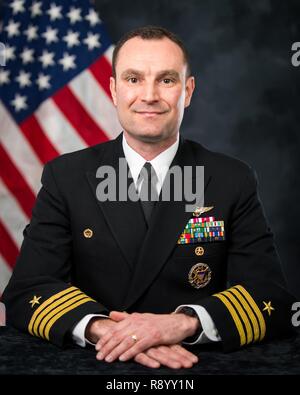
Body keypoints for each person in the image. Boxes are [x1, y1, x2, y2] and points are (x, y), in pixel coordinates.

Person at [2, 26, 295, 370]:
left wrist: (181, 323)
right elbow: (27, 290)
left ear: (187, 91)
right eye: (133, 79)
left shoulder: (231, 179)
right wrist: (107, 330)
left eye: (167, 80)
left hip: (194, 362)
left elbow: (270, 295)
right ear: (113, 90)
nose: (149, 95)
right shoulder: (65, 177)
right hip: (96, 361)